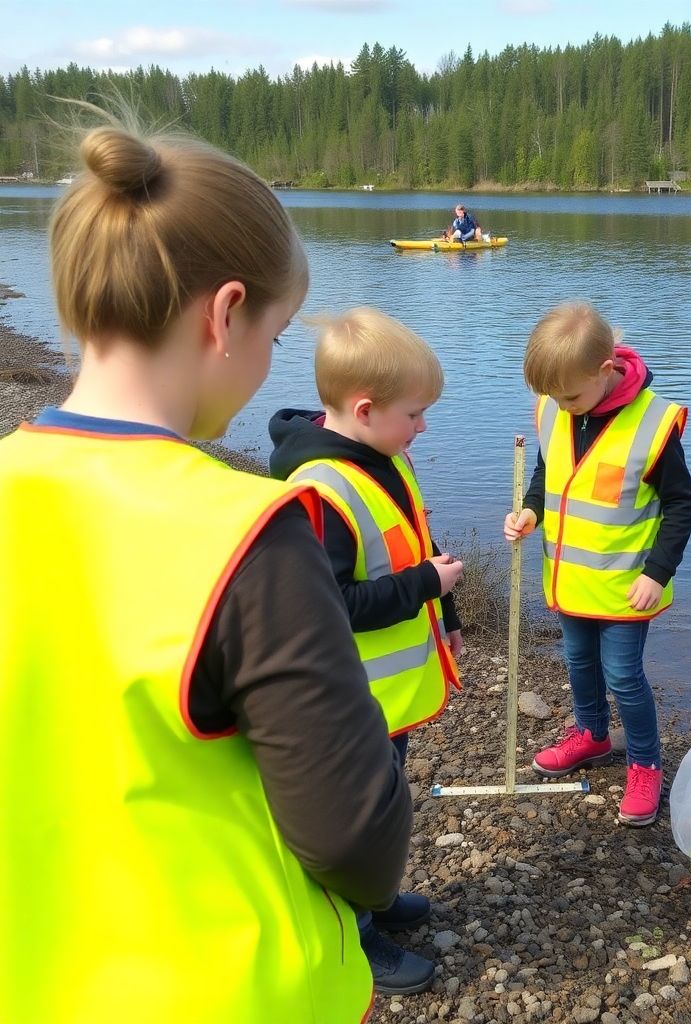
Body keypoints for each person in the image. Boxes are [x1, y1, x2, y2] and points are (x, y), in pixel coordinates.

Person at [0, 113, 412, 1024]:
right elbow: (356, 842)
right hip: (224, 989)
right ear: (225, 314)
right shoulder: (248, 533)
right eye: (276, 334)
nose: (270, 366)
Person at [269, 306, 464, 995]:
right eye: (414, 414)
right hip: (351, 704)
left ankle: (377, 901)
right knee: (353, 824)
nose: (423, 427)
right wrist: (423, 586)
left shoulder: (379, 458)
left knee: (387, 805)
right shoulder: (319, 490)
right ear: (362, 409)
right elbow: (331, 606)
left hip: (387, 697)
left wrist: (448, 608)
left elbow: (411, 542)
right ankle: (355, 936)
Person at [503, 301, 691, 826]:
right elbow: (549, 475)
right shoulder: (554, 408)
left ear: (605, 372)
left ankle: (645, 763)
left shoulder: (653, 424)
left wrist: (658, 574)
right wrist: (529, 511)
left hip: (626, 586)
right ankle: (590, 734)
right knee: (578, 663)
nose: (562, 407)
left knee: (623, 676)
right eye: (554, 396)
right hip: (570, 581)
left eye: (571, 395)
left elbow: (682, 505)